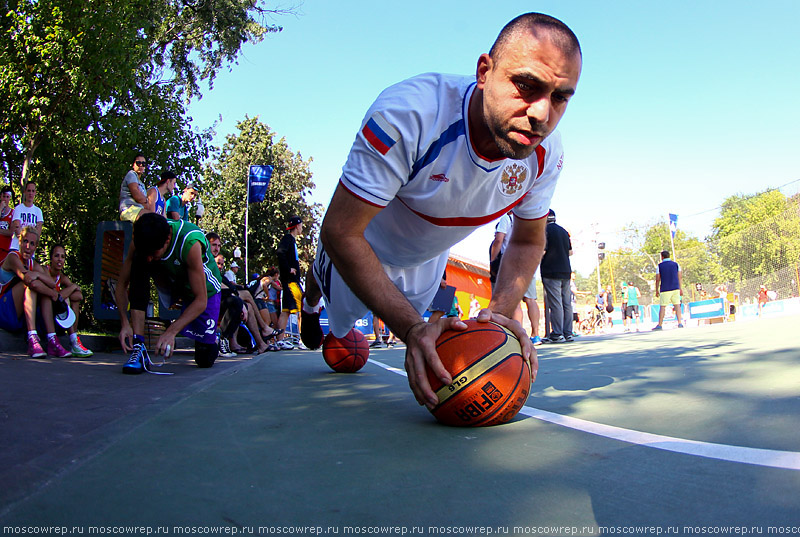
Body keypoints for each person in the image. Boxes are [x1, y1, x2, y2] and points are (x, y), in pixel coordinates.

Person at [298, 13, 582, 408]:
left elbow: (527, 239)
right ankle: (313, 291)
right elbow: (340, 231)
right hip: (360, 244)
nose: (541, 114)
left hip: (428, 259)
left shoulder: (545, 152)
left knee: (427, 340)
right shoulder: (408, 115)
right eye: (526, 86)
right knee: (341, 332)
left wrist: (499, 314)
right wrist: (412, 329)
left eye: (560, 96)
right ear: (484, 72)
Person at [115, 213, 223, 374]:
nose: (150, 259)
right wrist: (125, 323)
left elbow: (201, 300)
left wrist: (170, 332)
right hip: (171, 279)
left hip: (203, 290)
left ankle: (214, 339)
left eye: (154, 253)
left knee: (204, 358)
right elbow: (122, 284)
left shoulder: (190, 241)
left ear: (167, 240)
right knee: (140, 263)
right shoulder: (143, 240)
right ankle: (139, 346)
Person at [0, 226, 71, 358]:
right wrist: (54, 294)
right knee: (30, 286)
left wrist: (38, 276)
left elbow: (51, 283)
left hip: (20, 317)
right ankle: (32, 338)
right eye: (25, 241)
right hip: (3, 312)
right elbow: (27, 278)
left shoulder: (33, 264)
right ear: (20, 242)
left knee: (42, 290)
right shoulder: (13, 257)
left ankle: (52, 340)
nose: (28, 246)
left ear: (36, 247)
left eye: (32, 244)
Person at [44, 244, 94, 357]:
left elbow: (79, 296)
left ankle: (74, 341)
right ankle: (69, 341)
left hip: (58, 316)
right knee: (65, 297)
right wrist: (72, 288)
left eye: (63, 256)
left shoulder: (62, 277)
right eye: (57, 256)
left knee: (72, 299)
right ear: (51, 258)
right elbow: (55, 297)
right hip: (44, 316)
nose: (60, 259)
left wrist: (68, 293)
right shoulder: (45, 271)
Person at [539, 209, 573, 343]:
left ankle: (557, 333)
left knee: (556, 303)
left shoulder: (544, 231)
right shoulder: (564, 232)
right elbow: (570, 252)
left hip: (551, 271)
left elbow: (542, 251)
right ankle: (568, 332)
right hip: (566, 270)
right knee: (566, 303)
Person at [276, 215, 305, 350]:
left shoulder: (291, 241)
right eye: (301, 225)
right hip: (291, 281)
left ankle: (279, 340)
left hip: (289, 281)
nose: (302, 228)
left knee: (285, 312)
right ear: (297, 226)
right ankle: (304, 340)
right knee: (303, 310)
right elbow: (280, 252)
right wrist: (288, 269)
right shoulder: (288, 239)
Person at [653, 250, 684, 330]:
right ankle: (680, 323)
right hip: (675, 287)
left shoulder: (659, 266)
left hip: (665, 289)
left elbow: (657, 279)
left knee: (663, 306)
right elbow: (680, 277)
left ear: (662, 257)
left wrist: (656, 290)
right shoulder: (676, 264)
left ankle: (660, 324)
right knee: (677, 305)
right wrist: (680, 288)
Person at [10, 181, 44, 252]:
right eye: (28, 190)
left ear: (35, 192)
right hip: (16, 247)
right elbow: (17, 227)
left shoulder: (38, 211)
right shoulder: (18, 208)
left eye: (32, 191)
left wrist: (30, 244)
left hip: (30, 251)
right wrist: (24, 242)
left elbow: (38, 231)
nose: (30, 193)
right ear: (25, 192)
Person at [119, 153, 152, 222]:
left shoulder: (142, 184)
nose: (141, 165)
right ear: (133, 165)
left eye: (143, 164)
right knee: (153, 219)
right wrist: (146, 202)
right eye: (138, 163)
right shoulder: (131, 174)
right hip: (129, 210)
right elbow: (137, 195)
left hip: (139, 211)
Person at [489, 212, 513, 286]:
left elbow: (498, 240)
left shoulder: (507, 218)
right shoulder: (528, 219)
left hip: (505, 261)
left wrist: (492, 262)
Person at [523, 270, 542, 345]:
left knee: (516, 302)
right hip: (530, 266)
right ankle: (536, 335)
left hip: (513, 266)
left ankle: (518, 336)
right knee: (531, 299)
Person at [0, 185, 17, 262]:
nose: (5, 199)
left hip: (5, 248)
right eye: (4, 196)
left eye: (7, 197)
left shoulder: (13, 213)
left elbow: (11, 232)